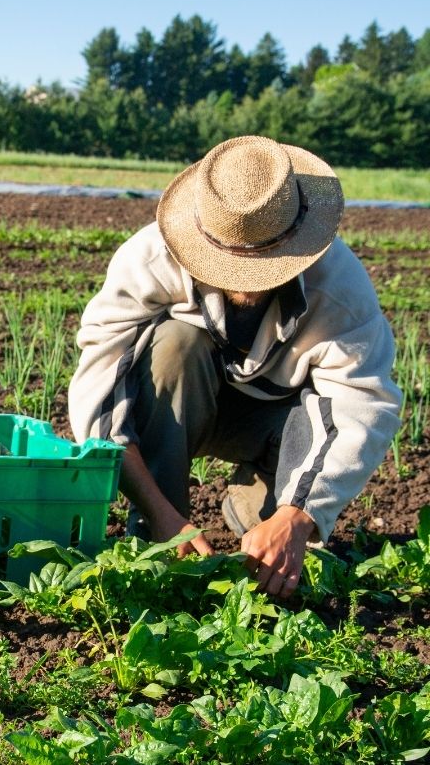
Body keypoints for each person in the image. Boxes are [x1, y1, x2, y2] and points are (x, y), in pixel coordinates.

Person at [68, 135, 401, 599]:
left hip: (273, 423)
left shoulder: (339, 289)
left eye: (263, 265)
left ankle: (258, 503)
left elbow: (362, 405)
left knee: (275, 551)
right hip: (183, 405)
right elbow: (100, 396)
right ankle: (157, 536)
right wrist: (165, 517)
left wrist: (297, 517)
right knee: (173, 344)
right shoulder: (149, 259)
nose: (245, 283)